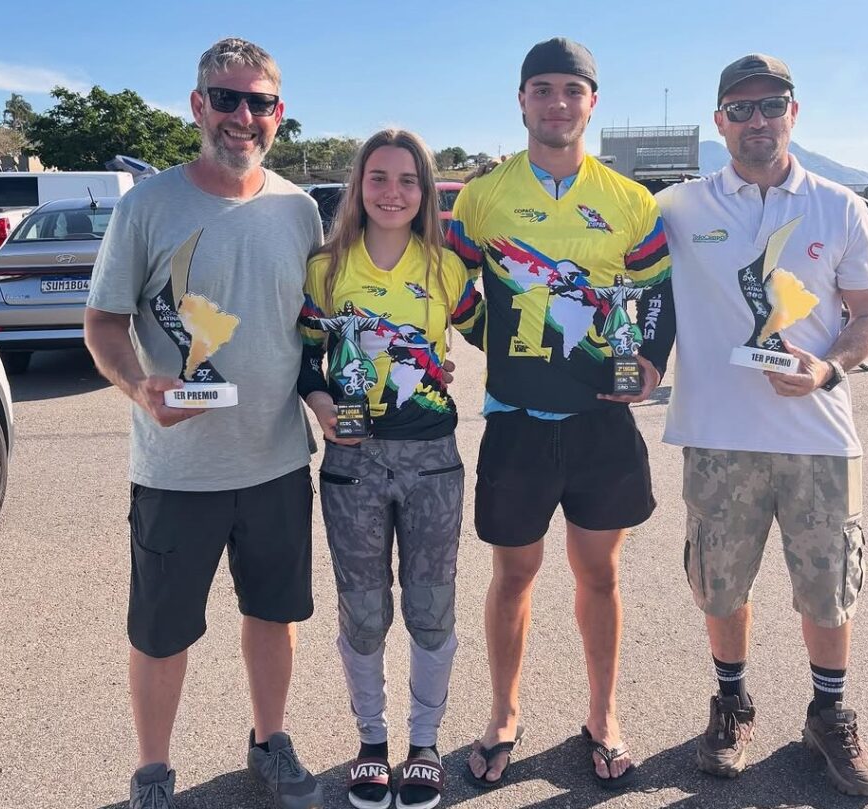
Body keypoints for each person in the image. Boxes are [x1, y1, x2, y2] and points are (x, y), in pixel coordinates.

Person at [84, 38, 325, 809]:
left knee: (274, 614)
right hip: (176, 469)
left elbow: (315, 328)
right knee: (161, 632)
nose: (242, 116)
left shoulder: (299, 210)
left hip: (278, 460)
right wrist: (135, 384)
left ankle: (270, 741)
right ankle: (153, 771)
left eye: (259, 102)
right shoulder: (146, 206)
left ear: (278, 114)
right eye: (227, 98)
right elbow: (103, 322)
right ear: (198, 105)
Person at [445, 38, 675, 791]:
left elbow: (653, 292)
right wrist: (500, 341)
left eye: (570, 90)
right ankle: (504, 712)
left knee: (599, 574)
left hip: (600, 420)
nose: (556, 103)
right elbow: (447, 282)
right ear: (520, 100)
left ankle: (603, 713)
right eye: (540, 89)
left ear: (591, 103)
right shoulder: (481, 197)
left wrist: (648, 359)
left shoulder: (629, 198)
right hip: (515, 415)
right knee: (513, 573)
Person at [656, 53, 868, 797]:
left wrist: (826, 368)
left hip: (818, 434)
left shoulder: (839, 206)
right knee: (719, 586)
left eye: (772, 104)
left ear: (796, 111)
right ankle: (732, 700)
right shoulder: (680, 207)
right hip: (718, 435)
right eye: (741, 108)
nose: (758, 120)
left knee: (828, 589)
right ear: (720, 121)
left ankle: (830, 713)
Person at [298, 129, 482, 809]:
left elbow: (499, 333)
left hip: (433, 458)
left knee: (431, 605)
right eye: (378, 177)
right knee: (364, 608)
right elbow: (304, 357)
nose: (393, 192)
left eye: (408, 180)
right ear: (358, 186)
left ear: (426, 191)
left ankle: (425, 741)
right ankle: (372, 743)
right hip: (353, 461)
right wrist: (320, 402)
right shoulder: (325, 270)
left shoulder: (446, 269)